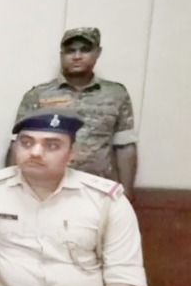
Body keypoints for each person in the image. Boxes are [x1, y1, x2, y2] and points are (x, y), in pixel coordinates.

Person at [0, 108, 146, 286]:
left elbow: (125, 281)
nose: (35, 153)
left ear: (72, 153)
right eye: (26, 143)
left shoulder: (106, 199)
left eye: (52, 145)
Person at [11, 27, 138, 200]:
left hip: (98, 192)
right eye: (70, 51)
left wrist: (127, 194)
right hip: (46, 190)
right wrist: (14, 191)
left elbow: (125, 146)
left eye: (85, 50)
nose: (77, 56)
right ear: (61, 55)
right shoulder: (38, 95)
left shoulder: (116, 94)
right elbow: (18, 144)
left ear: (98, 53)